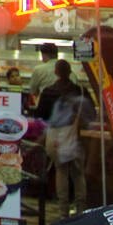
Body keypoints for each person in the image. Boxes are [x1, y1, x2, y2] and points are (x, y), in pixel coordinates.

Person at [38, 59, 94, 214]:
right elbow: (90, 114)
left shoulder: (48, 91)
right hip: (75, 136)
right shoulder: (80, 91)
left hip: (55, 136)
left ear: (56, 72)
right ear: (70, 72)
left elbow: (41, 114)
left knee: (61, 171)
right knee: (78, 173)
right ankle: (80, 208)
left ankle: (63, 210)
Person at [27, 42, 63, 110]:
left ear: (43, 54)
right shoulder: (68, 71)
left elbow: (32, 91)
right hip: (64, 110)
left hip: (45, 108)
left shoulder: (38, 70)